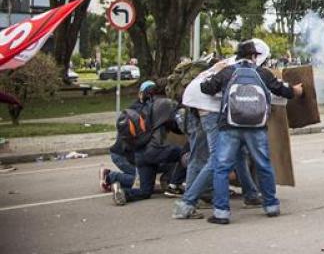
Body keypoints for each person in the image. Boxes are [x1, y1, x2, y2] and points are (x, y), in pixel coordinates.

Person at [198, 39, 302, 224]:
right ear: (254, 56)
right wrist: (295, 90)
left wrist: (213, 71)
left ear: (238, 56)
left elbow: (206, 88)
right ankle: (271, 206)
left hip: (230, 125)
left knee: (221, 168)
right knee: (264, 164)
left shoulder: (227, 72)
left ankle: (221, 213)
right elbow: (283, 90)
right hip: (256, 126)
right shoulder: (262, 73)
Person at [173, 57, 261, 219]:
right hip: (209, 110)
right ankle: (187, 202)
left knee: (233, 153)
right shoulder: (242, 70)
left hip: (196, 107)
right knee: (215, 158)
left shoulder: (227, 64)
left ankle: (250, 194)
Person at [110, 81, 186, 205]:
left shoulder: (139, 108)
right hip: (156, 150)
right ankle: (173, 184)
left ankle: (122, 191)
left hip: (140, 154)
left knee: (145, 191)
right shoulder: (165, 104)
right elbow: (177, 125)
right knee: (184, 153)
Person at [99, 83, 154, 192]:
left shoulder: (135, 107)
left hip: (122, 153)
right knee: (145, 182)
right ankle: (110, 176)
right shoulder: (143, 112)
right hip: (123, 155)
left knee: (147, 177)